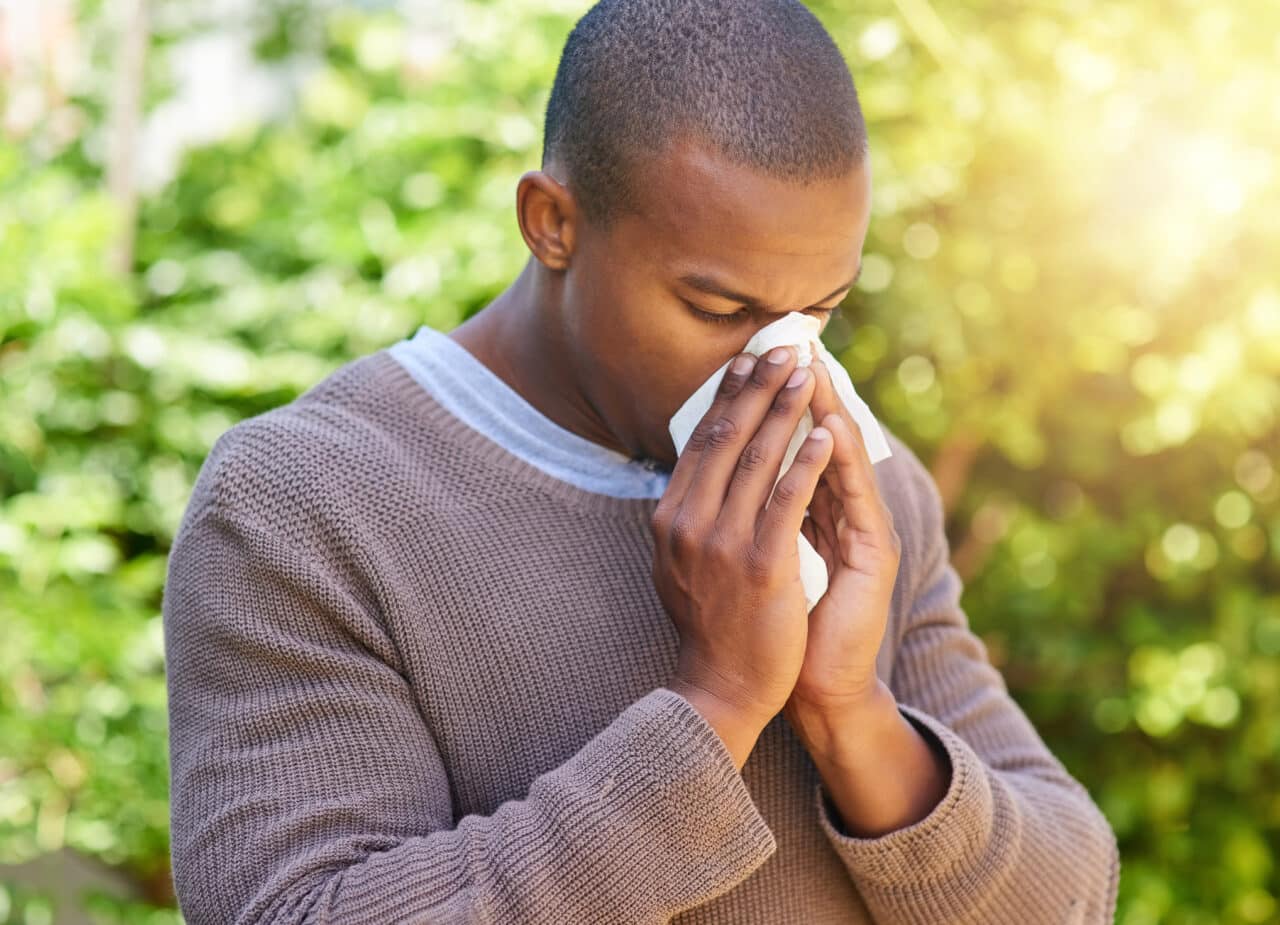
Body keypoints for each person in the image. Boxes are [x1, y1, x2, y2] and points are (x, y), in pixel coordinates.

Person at [162, 1, 1120, 922]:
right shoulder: (305, 504)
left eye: (819, 310)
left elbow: (1070, 898)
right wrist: (723, 701)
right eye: (719, 310)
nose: (775, 366)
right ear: (553, 224)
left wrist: (849, 710)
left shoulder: (861, 490)